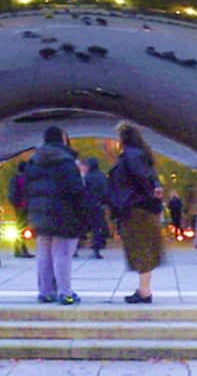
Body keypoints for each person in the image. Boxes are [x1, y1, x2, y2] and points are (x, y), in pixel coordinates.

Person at [19, 126, 86, 305]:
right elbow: (75, 189)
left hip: (40, 214)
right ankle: (65, 293)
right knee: (62, 253)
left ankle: (45, 292)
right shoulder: (66, 161)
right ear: (62, 139)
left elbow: (25, 188)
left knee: (44, 253)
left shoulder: (34, 161)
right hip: (63, 214)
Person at [109, 122, 165, 304]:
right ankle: (143, 289)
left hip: (136, 209)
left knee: (140, 249)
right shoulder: (140, 155)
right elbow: (149, 180)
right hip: (141, 208)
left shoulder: (130, 157)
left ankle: (144, 291)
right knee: (142, 248)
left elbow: (142, 180)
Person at [77, 156, 110, 260]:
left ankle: (75, 248)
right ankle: (96, 249)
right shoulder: (101, 176)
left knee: (81, 226)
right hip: (98, 205)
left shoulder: (87, 178)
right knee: (97, 227)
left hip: (87, 205)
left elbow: (82, 191)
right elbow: (106, 191)